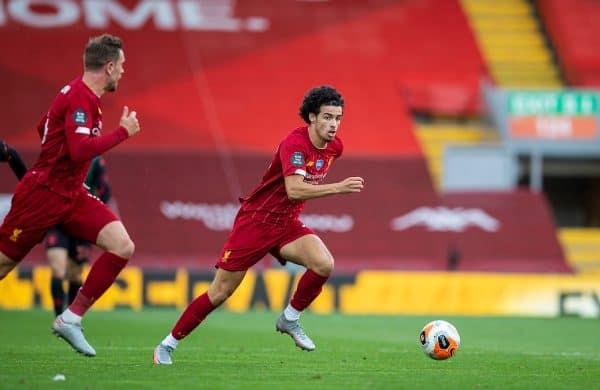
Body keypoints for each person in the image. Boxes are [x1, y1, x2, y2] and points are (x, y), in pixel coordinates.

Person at [153, 85, 364, 365]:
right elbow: (295, 190)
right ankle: (166, 345)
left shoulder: (335, 148)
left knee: (324, 264)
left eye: (338, 118)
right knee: (220, 292)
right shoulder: (295, 143)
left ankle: (289, 319)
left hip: (286, 224)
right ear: (312, 117)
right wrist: (338, 188)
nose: (333, 124)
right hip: (256, 221)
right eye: (327, 117)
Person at [0, 34, 140, 357]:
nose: (122, 71)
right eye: (121, 65)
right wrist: (122, 133)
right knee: (3, 264)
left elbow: (44, 129)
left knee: (122, 246)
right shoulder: (80, 98)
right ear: (108, 66)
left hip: (71, 194)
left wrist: (66, 172)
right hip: (43, 196)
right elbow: (78, 150)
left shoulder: (82, 97)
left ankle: (71, 318)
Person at [46, 156, 112, 317]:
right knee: (58, 270)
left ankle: (69, 318)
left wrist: (94, 211)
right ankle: (57, 317)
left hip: (80, 220)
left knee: (75, 274)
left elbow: (105, 190)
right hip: (57, 219)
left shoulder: (95, 160)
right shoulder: (57, 153)